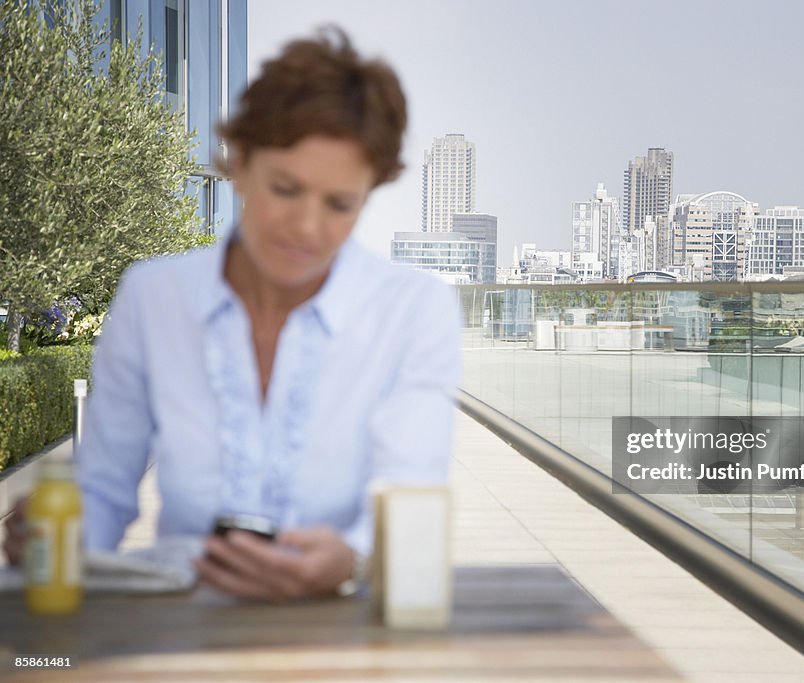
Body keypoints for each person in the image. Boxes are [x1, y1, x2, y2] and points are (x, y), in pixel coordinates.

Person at [2, 27, 461, 601]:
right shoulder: (153, 297)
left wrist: (351, 560)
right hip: (179, 620)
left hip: (339, 622)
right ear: (239, 163)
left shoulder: (415, 310)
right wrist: (53, 535)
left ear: (368, 195)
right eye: (286, 188)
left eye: (340, 204)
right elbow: (103, 488)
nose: (307, 227)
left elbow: (410, 496)